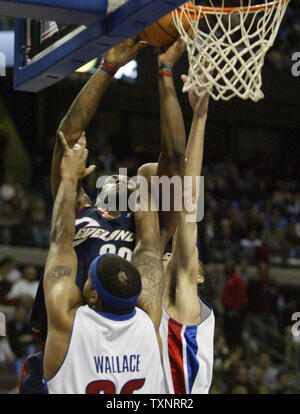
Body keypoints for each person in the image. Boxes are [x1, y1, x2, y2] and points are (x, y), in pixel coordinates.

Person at [20, 37, 186, 393]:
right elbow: (67, 138)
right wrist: (107, 68)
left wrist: (165, 71)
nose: (122, 177)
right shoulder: (79, 205)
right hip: (69, 342)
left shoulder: (150, 226)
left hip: (95, 334)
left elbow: (174, 156)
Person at [42, 132, 166, 394]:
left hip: (88, 317)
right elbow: (150, 246)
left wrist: (143, 185)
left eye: (124, 180)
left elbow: (60, 240)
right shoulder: (85, 208)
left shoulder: (138, 219)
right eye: (113, 179)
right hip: (96, 316)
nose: (120, 180)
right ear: (97, 197)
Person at [143, 68, 215, 393]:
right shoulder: (151, 293)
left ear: (198, 277)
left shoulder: (184, 296)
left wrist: (199, 118)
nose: (171, 253)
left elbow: (188, 204)